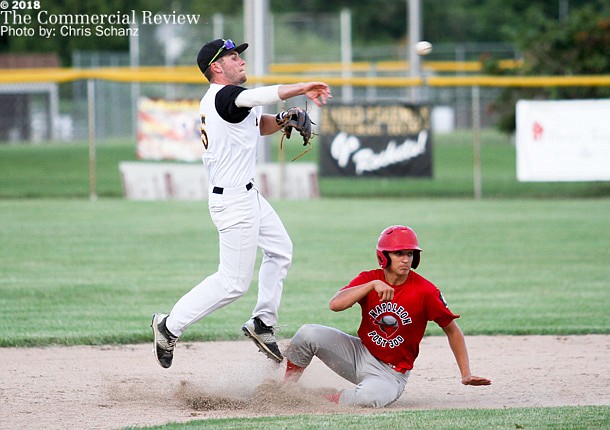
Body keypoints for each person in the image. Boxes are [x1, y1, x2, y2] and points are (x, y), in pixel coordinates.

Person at [151, 38, 332, 369]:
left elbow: (257, 124)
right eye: (233, 57)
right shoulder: (224, 96)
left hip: (247, 195)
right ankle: (168, 326)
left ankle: (262, 323)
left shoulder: (232, 102)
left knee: (280, 250)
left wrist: (284, 119)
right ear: (216, 67)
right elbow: (259, 96)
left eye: (239, 55)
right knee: (232, 283)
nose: (241, 61)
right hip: (232, 200)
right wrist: (302, 87)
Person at [283, 225, 491, 407]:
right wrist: (371, 286)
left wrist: (465, 374)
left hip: (390, 374)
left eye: (410, 253)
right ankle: (285, 391)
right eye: (399, 253)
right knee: (307, 333)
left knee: (367, 398)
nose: (405, 259)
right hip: (358, 353)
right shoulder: (369, 279)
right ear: (384, 256)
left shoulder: (425, 291)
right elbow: (335, 305)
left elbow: (452, 331)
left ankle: (315, 400)